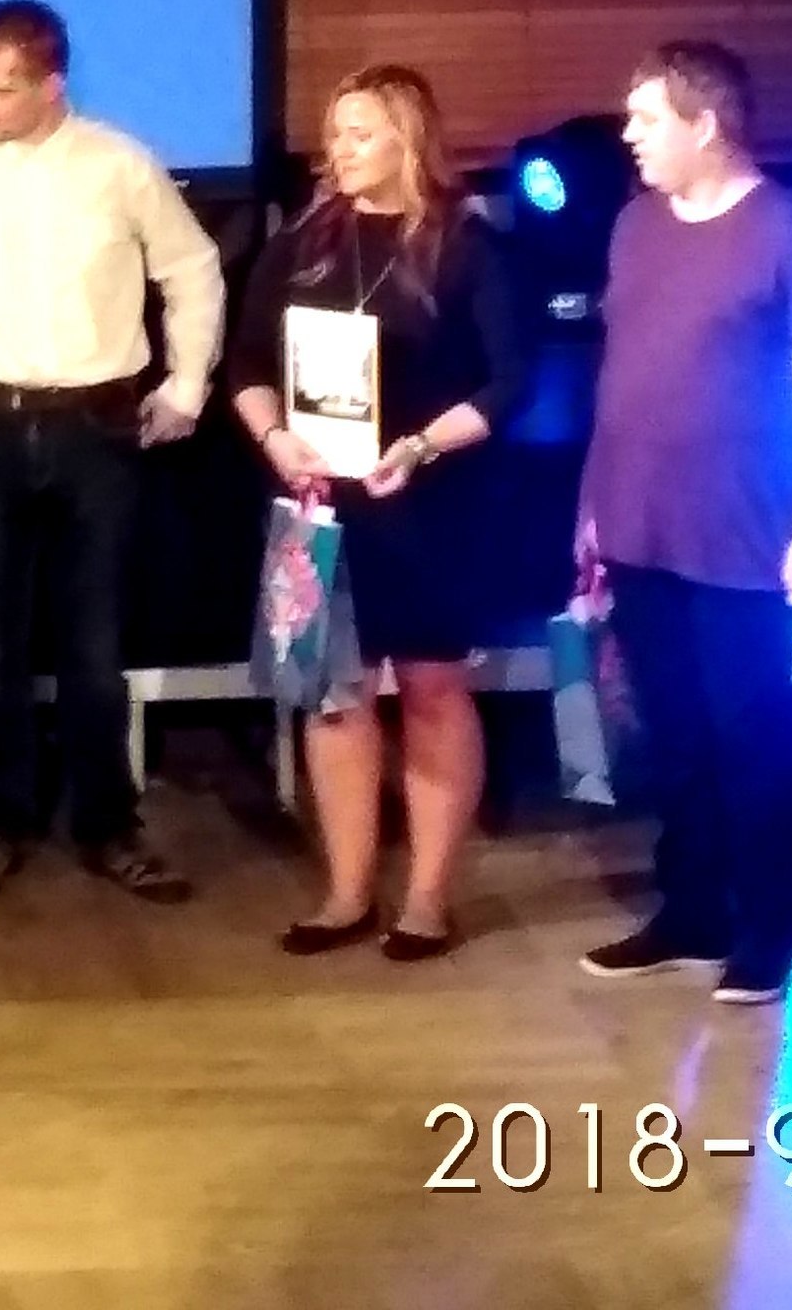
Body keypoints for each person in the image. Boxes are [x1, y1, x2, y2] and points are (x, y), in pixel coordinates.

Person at [0, 0, 225, 903]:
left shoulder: (119, 165)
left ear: (51, 84)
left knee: (93, 643)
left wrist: (186, 385)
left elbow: (191, 268)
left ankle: (108, 826)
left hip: (95, 429)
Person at [229, 67, 527, 962]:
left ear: (408, 138)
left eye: (360, 133)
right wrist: (277, 439)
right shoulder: (302, 242)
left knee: (432, 689)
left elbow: (511, 383)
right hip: (321, 503)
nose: (340, 149)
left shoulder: (468, 246)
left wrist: (422, 446)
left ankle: (427, 898)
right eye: (335, 133)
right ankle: (346, 892)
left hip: (430, 502)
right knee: (333, 694)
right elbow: (247, 366)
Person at [574, 40, 792, 1009]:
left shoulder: (783, 230)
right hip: (636, 524)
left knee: (748, 736)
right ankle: (691, 912)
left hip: (741, 534)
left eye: (647, 118)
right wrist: (591, 509)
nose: (629, 134)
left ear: (706, 125)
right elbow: (622, 377)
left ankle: (766, 931)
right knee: (673, 733)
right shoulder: (635, 224)